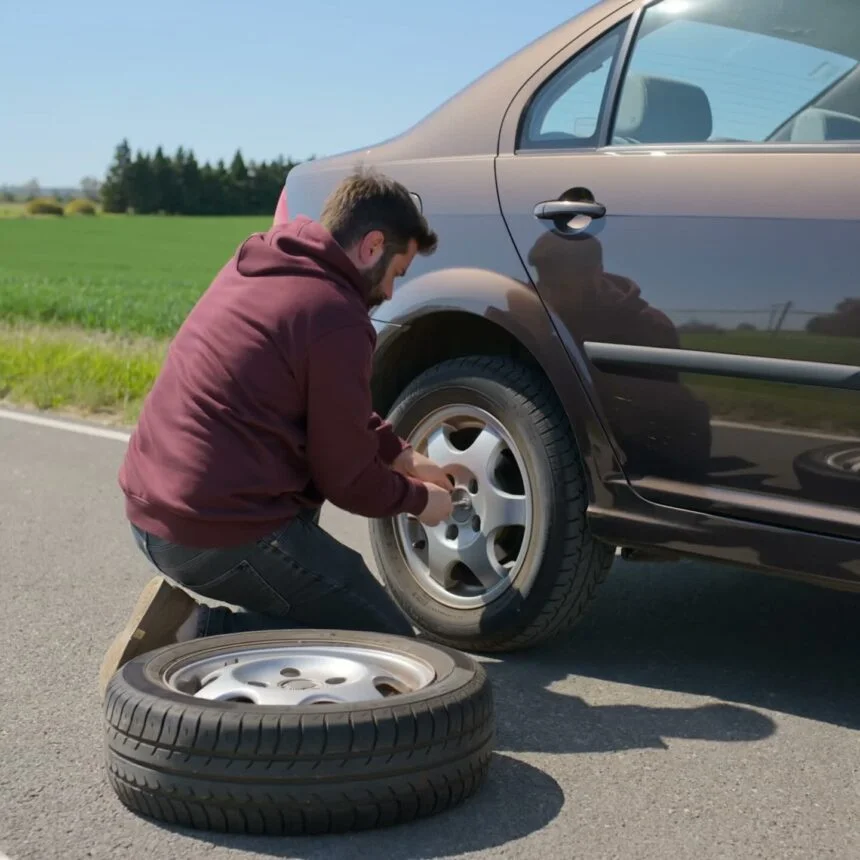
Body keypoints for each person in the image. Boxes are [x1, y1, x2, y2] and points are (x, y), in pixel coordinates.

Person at [99, 169, 454, 697]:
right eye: (396, 271)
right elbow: (349, 480)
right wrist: (420, 501)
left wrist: (402, 455)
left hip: (153, 514)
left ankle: (258, 608)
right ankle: (193, 632)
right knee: (388, 641)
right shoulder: (338, 316)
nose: (390, 290)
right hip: (213, 532)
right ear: (372, 245)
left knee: (314, 561)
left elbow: (329, 408)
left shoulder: (261, 263)